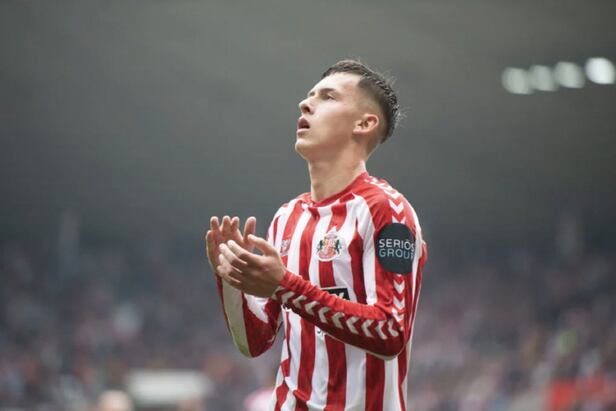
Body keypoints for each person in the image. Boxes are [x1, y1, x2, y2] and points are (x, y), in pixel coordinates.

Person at [206, 59, 428, 410]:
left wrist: (285, 285)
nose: (305, 104)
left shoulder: (386, 209)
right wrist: (231, 277)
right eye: (309, 95)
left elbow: (390, 332)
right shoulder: (286, 217)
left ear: (364, 123)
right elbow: (255, 342)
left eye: (328, 97)